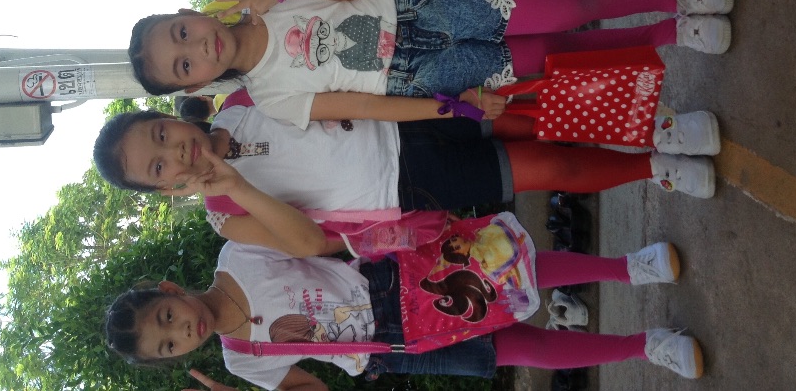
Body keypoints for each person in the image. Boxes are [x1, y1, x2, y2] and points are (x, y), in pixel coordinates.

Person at [125, 0, 734, 128]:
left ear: (189, 13)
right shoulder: (271, 98)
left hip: (423, 6)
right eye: (185, 64)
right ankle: (669, 33)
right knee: (554, 54)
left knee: (567, 8)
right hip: (422, 75)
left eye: (183, 34)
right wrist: (455, 107)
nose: (198, 47)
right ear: (194, 85)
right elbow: (366, 107)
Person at [103, 226, 705, 384]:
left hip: (389, 283)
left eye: (166, 318)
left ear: (171, 292)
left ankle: (631, 268)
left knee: (511, 268)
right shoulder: (240, 360)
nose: (182, 332)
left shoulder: (237, 253)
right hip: (392, 351)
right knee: (514, 350)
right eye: (169, 345)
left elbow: (315, 236)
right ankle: (645, 347)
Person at [91, 105, 718, 254]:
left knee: (529, 115)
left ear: (168, 116)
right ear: (164, 188)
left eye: (160, 134)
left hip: (408, 115)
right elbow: (310, 243)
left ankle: (655, 127)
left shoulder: (239, 100)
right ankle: (654, 166)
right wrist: (235, 184)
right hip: (404, 185)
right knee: (553, 167)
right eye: (158, 165)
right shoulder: (228, 218)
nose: (174, 150)